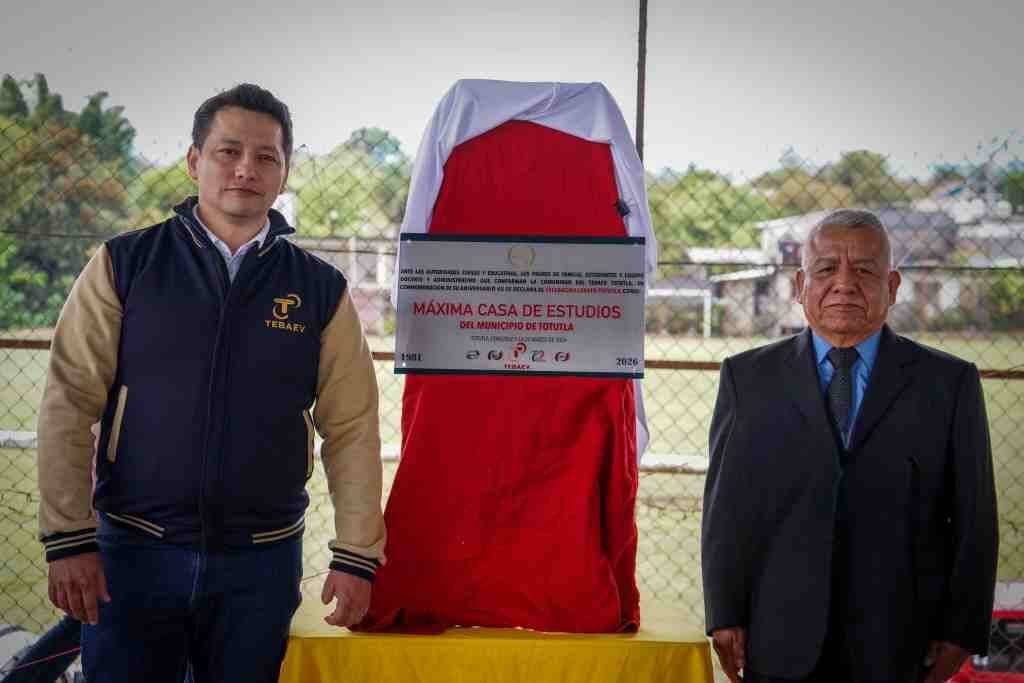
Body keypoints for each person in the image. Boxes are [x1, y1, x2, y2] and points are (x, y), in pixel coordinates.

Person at [36, 83, 385, 683]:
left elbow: (351, 427)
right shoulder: (126, 264)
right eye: (228, 151)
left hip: (262, 563)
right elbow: (68, 402)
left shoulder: (321, 289)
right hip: (133, 554)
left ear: (283, 172)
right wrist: (69, 539)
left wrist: (357, 557)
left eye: (266, 157)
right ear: (195, 161)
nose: (246, 169)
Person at [701, 208, 999, 682]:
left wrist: (962, 627)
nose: (844, 283)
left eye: (864, 269)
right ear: (801, 285)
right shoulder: (747, 378)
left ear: (893, 285)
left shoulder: (949, 383)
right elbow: (726, 510)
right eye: (825, 269)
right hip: (777, 639)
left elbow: (974, 519)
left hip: (901, 643)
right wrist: (723, 612)